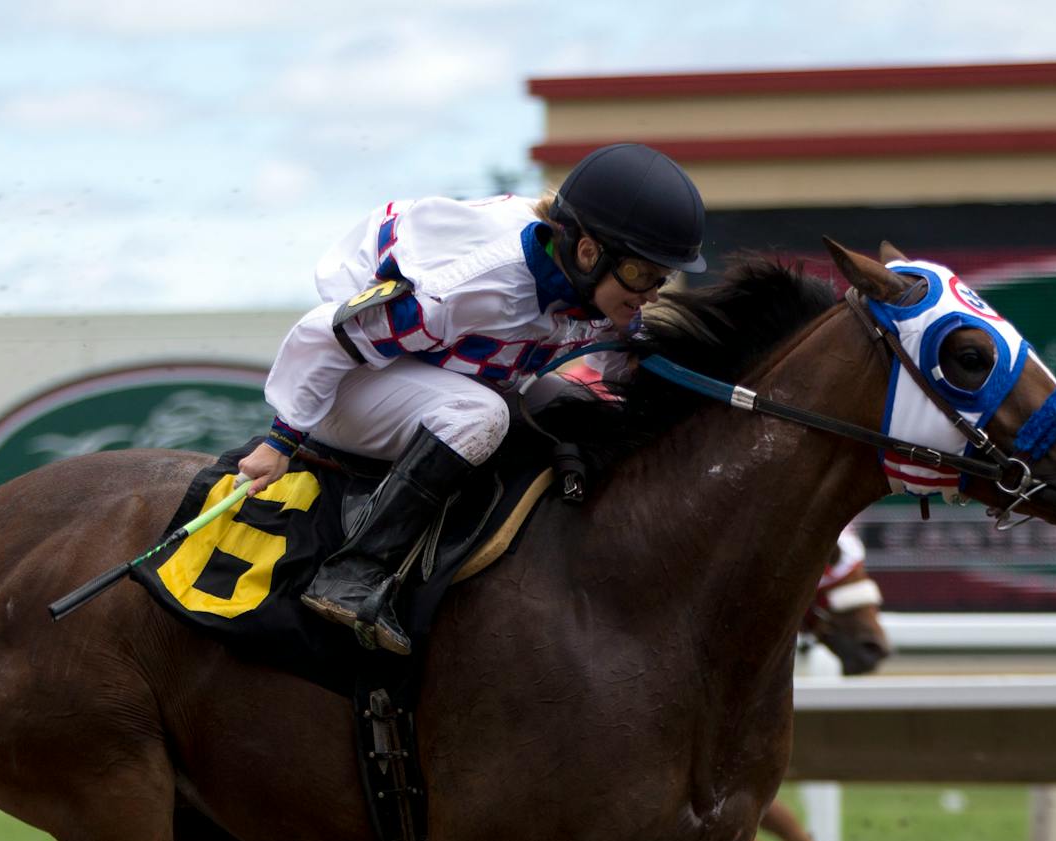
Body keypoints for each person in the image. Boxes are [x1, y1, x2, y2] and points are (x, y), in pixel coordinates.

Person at [234, 142, 707, 655]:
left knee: (578, 406)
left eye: (661, 278)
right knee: (481, 416)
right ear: (589, 252)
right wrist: (281, 441)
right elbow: (322, 336)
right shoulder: (470, 286)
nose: (650, 294)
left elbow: (629, 374)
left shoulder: (593, 287)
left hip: (434, 366)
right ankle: (352, 573)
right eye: (641, 274)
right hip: (346, 376)